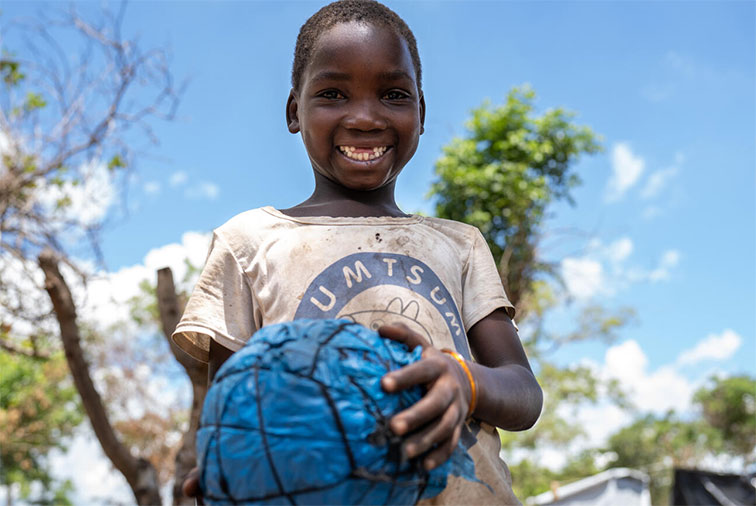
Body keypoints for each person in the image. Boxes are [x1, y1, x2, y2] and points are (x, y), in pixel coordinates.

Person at [173, 1, 543, 504]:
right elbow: (233, 406)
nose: (365, 117)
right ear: (294, 111)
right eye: (333, 94)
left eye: (393, 94)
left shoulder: (460, 243)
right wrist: (227, 470)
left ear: (421, 112)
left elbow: (524, 393)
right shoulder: (249, 242)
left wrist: (465, 379)